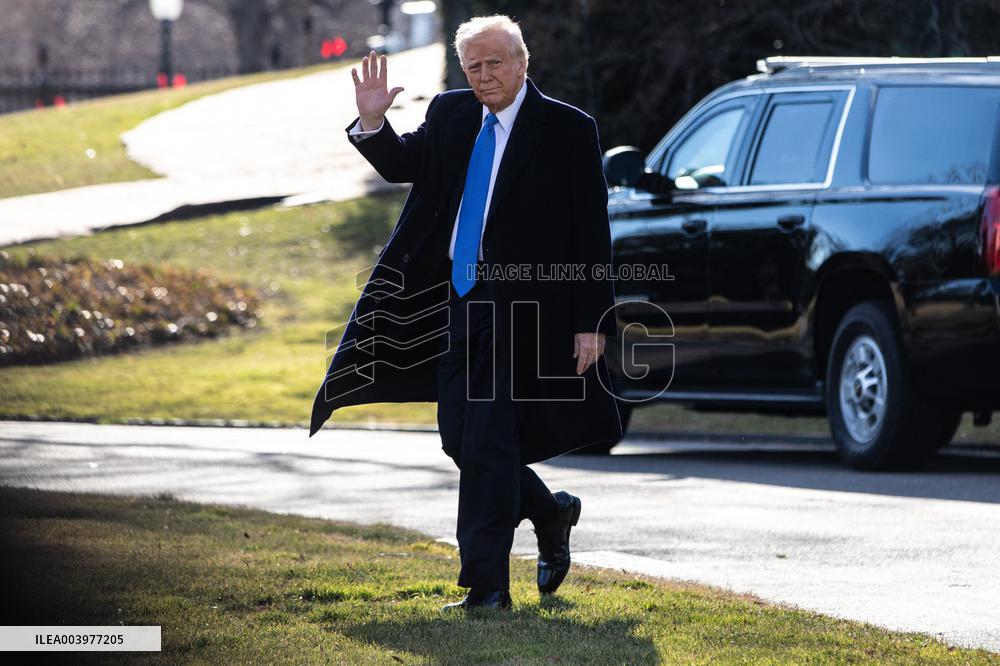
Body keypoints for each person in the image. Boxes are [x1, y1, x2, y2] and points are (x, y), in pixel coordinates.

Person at [309, 14, 623, 612]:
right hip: (453, 300)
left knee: (484, 437)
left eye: (495, 63)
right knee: (463, 438)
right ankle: (549, 512)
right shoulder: (451, 114)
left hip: (525, 308)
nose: (484, 76)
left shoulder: (566, 129)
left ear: (523, 61)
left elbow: (591, 232)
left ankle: (487, 587)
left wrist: (592, 321)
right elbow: (405, 166)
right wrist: (373, 122)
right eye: (473, 66)